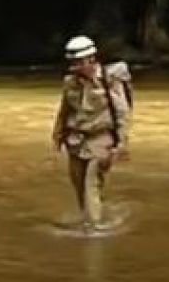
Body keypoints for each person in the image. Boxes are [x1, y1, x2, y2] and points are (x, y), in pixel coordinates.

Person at [50, 35, 131, 231]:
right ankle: (89, 220)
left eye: (78, 63)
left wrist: (120, 145)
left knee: (91, 184)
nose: (74, 67)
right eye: (72, 63)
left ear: (91, 60)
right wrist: (58, 136)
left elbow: (122, 114)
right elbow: (64, 111)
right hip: (76, 141)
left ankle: (93, 230)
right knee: (79, 187)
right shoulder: (70, 83)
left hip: (102, 140)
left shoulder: (110, 82)